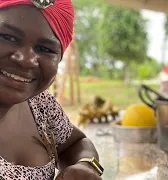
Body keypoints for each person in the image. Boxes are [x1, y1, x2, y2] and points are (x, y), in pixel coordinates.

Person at [0, 0, 103, 179]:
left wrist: (86, 165)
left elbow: (76, 143)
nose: (26, 59)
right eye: (8, 37)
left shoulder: (39, 103)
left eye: (44, 48)